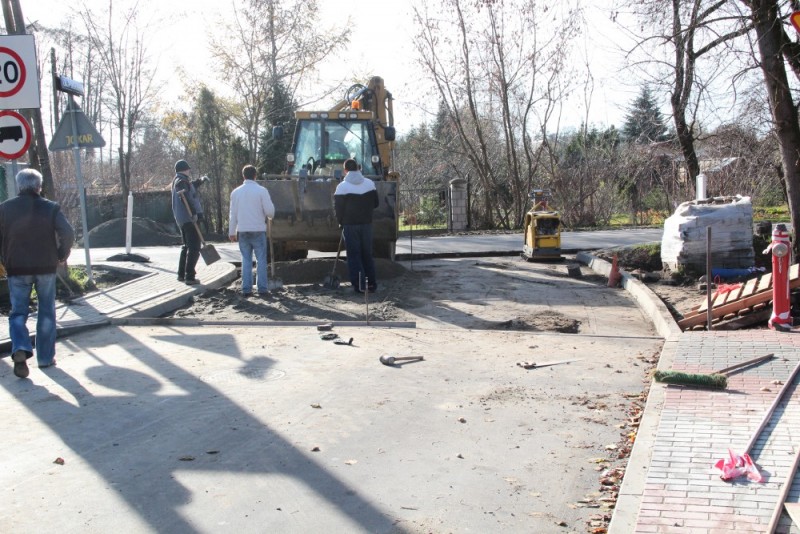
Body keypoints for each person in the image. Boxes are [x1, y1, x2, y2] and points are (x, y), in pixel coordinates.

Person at [0, 169, 75, 378]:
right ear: (38, 187)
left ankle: (21, 349)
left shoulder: (4, 209)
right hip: (45, 268)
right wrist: (61, 254)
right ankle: (45, 358)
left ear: (19, 185)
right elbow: (67, 233)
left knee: (18, 312)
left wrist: (4, 258)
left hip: (17, 269)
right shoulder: (50, 208)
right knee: (46, 311)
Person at [228, 164, 275, 296]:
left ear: (243, 176)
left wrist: (231, 232)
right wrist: (270, 215)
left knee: (246, 260)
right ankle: (262, 289)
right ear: (255, 175)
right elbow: (270, 212)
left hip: (242, 231)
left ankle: (246, 289)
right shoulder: (262, 191)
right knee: (261, 260)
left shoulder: (235, 193)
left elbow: (233, 214)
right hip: (258, 230)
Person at [334, 158, 379, 293]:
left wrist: (341, 222)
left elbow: (338, 209)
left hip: (350, 225)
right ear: (359, 168)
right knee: (367, 254)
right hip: (367, 224)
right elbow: (376, 203)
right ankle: (371, 284)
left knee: (354, 255)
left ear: (345, 170)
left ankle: (359, 286)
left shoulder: (342, 187)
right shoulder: (370, 184)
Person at [171, 159, 204, 285]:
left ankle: (181, 274)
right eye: (188, 168)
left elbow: (190, 187)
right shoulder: (181, 181)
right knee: (194, 247)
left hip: (181, 219)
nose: (189, 170)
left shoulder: (178, 180)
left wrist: (200, 181)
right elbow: (184, 195)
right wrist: (194, 213)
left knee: (186, 246)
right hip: (189, 219)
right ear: (185, 169)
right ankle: (190, 276)